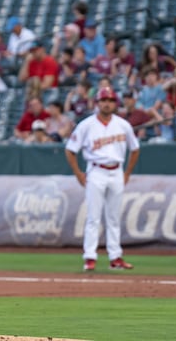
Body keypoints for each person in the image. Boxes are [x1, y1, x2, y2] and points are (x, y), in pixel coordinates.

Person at [65, 87, 140, 272]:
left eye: (110, 100)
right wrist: (78, 173)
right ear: (97, 103)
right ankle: (90, 257)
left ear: (115, 103)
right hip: (96, 171)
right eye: (104, 100)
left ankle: (115, 257)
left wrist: (127, 173)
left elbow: (135, 148)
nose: (107, 103)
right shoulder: (86, 125)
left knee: (114, 217)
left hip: (116, 171)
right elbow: (70, 149)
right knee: (93, 217)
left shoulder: (123, 125)